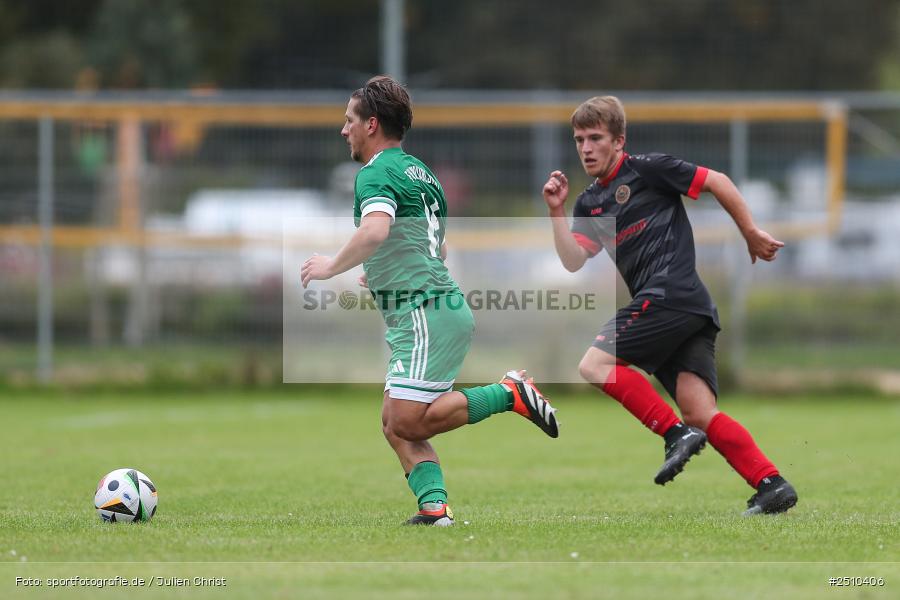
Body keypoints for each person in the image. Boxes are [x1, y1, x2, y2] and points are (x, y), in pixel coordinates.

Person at [301, 75, 559, 526]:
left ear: (371, 124)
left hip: (425, 312)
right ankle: (434, 508)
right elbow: (435, 248)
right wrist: (380, 272)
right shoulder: (422, 174)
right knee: (393, 421)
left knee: (408, 421)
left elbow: (376, 230)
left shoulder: (374, 173)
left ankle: (509, 393)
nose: (344, 130)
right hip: (429, 309)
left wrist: (330, 267)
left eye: (349, 120)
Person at [541, 95, 797, 515]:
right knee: (700, 413)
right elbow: (573, 260)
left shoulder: (649, 169)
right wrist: (555, 210)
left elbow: (718, 181)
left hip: (669, 295)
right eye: (579, 139)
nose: (586, 148)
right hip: (686, 307)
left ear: (619, 141)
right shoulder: (589, 203)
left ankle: (673, 434)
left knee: (594, 365)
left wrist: (750, 232)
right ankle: (771, 484)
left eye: (595, 138)